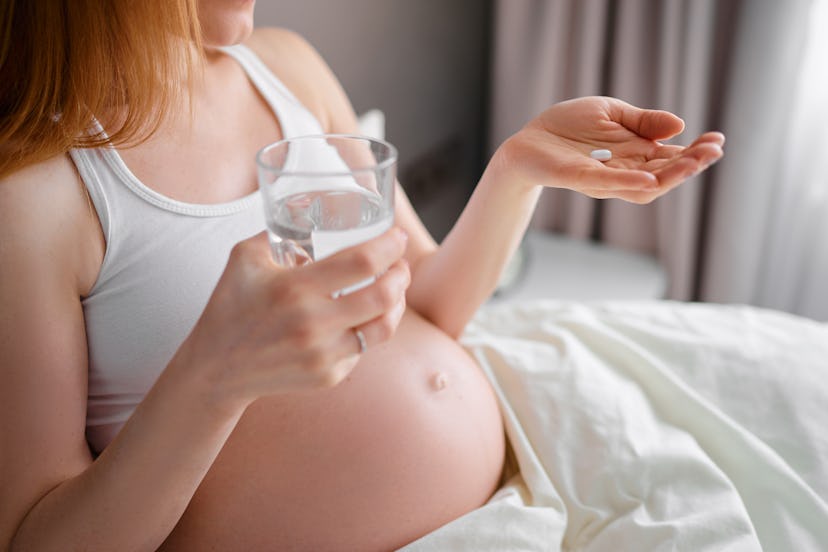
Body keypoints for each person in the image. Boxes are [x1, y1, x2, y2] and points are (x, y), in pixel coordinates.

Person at [0, 1, 725, 550]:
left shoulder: (286, 68)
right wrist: (213, 377)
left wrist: (516, 171)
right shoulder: (35, 202)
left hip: (517, 500)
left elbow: (429, 304)